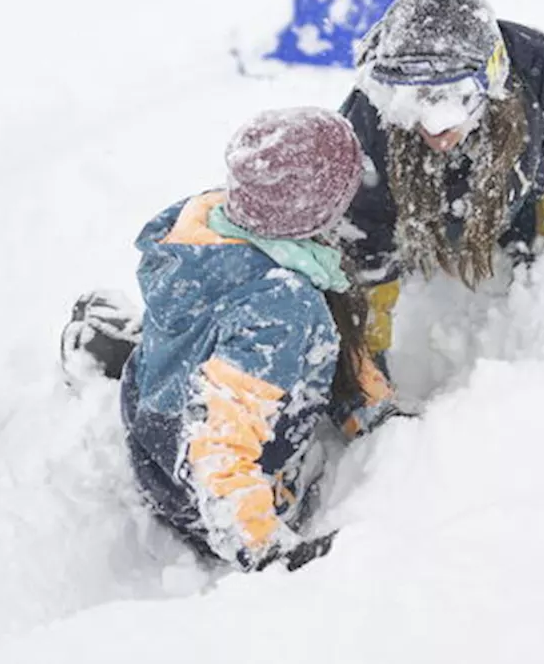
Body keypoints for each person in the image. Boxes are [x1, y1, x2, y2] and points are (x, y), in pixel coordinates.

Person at [106, 107, 399, 573]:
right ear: (314, 211)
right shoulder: (280, 308)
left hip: (152, 405)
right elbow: (217, 448)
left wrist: (369, 404)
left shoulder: (203, 223)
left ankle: (111, 344)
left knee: (207, 335)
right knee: (246, 374)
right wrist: (267, 549)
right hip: (198, 492)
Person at [339, 0, 544, 362]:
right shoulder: (370, 122)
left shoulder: (542, 69)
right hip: (421, 220)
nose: (436, 126)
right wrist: (367, 367)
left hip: (525, 199)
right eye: (418, 99)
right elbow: (362, 245)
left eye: (458, 96)